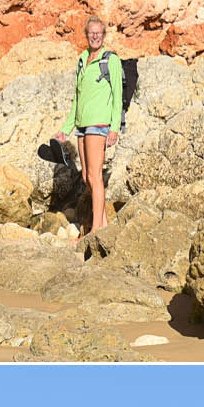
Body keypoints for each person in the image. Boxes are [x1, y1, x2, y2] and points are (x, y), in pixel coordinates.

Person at [65, 13, 124, 255]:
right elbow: (77, 98)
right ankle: (105, 225)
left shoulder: (110, 60)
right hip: (81, 125)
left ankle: (95, 229)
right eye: (91, 33)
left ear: (104, 35)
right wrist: (66, 128)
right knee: (88, 178)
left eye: (99, 32)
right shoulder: (82, 60)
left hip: (99, 125)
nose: (95, 36)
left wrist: (114, 127)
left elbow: (118, 96)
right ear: (86, 35)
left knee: (95, 176)